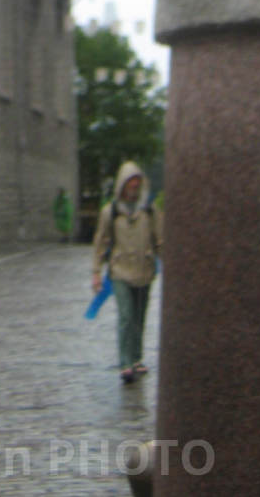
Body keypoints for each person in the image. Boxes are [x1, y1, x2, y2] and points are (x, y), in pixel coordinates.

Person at [91, 161, 162, 385]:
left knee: (139, 316)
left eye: (137, 184)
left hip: (144, 270)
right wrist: (96, 272)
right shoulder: (110, 212)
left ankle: (136, 358)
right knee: (126, 316)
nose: (134, 188)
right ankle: (125, 363)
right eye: (130, 184)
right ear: (122, 185)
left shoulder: (150, 211)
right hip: (120, 271)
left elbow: (160, 240)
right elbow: (100, 243)